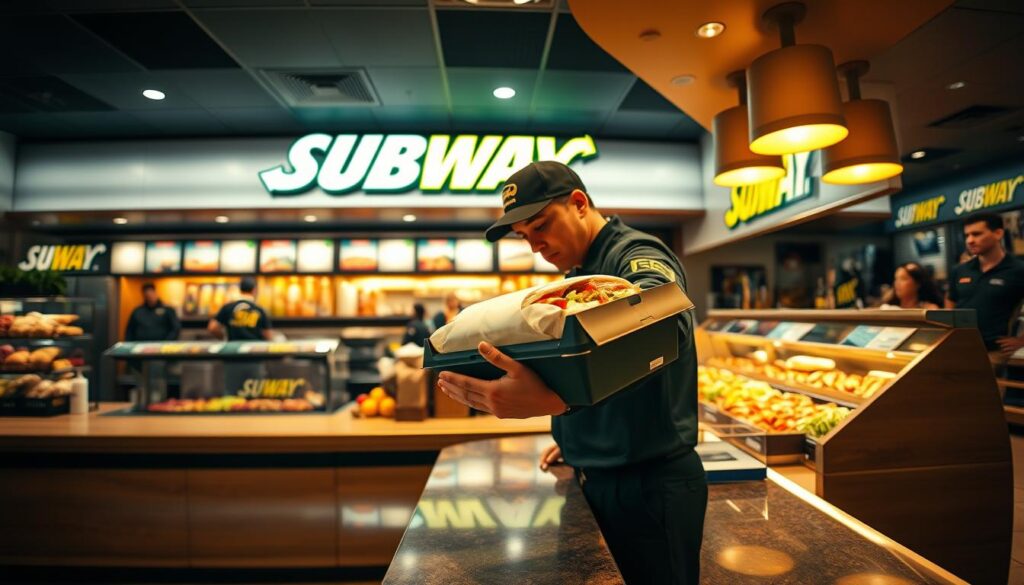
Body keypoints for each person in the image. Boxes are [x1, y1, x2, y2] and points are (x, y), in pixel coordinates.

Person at [436, 161, 706, 585]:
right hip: (598, 472)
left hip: (651, 486)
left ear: (579, 203)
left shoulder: (635, 255)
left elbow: (667, 324)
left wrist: (560, 404)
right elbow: (586, 364)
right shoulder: (577, 272)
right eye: (525, 237)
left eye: (541, 226)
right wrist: (577, 438)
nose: (536, 247)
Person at [947, 213, 1024, 356]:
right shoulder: (959, 270)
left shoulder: (1018, 270)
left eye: (976, 234)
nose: (970, 240)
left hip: (994, 351)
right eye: (967, 235)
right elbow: (951, 299)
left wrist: (1021, 340)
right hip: (958, 346)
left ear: (998, 233)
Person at [208, 277, 273, 341]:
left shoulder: (228, 307)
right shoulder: (258, 309)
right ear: (254, 290)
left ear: (240, 289)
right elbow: (268, 335)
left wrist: (223, 338)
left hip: (234, 348)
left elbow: (212, 327)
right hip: (253, 348)